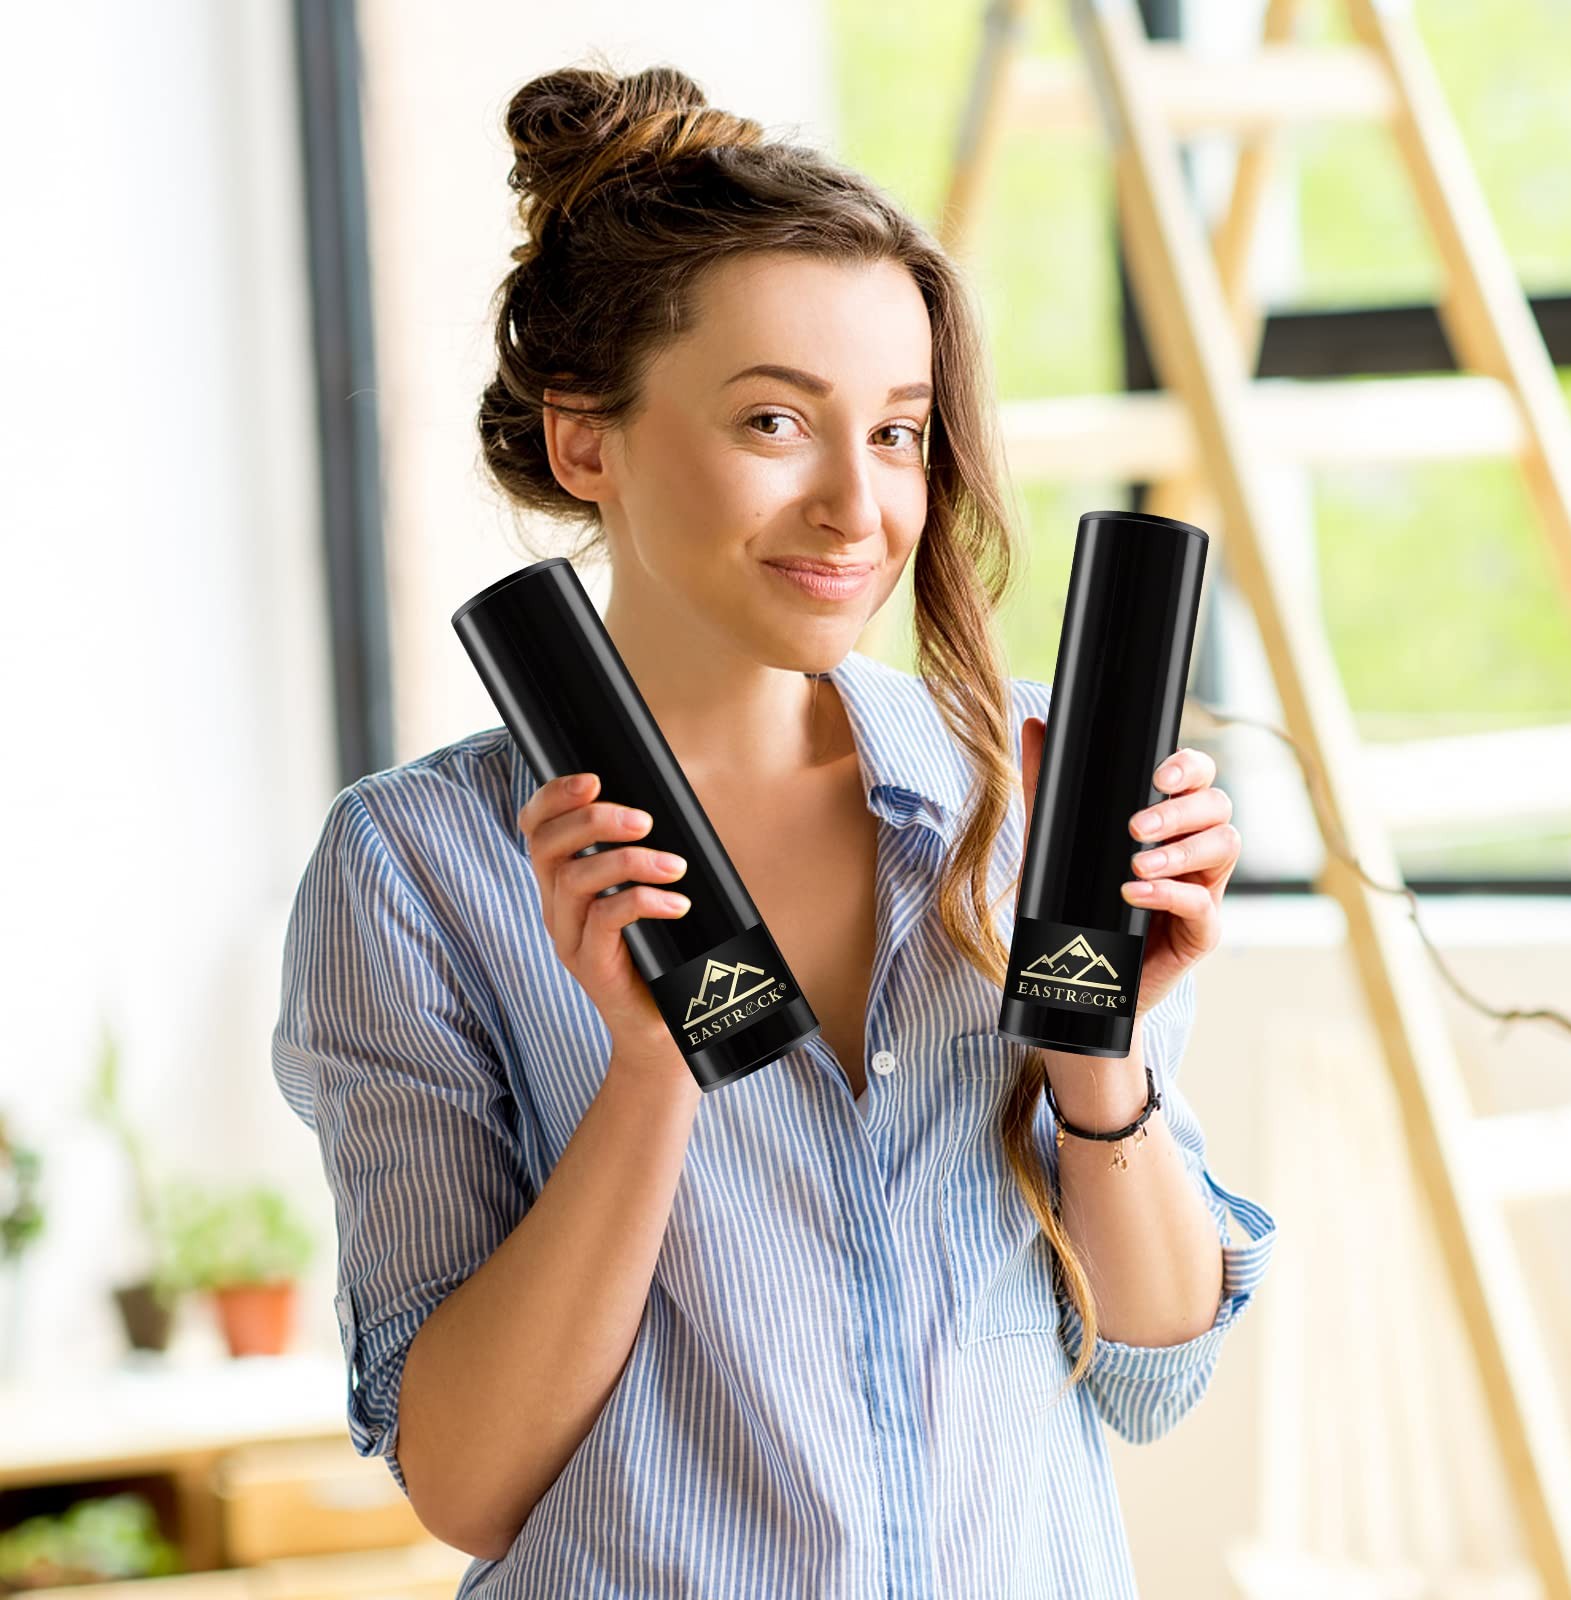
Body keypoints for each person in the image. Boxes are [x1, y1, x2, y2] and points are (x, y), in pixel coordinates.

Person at [271, 58, 1278, 1599]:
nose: (857, 510)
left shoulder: (1025, 792)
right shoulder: (418, 871)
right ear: (584, 441)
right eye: (772, 421)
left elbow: (1153, 1369)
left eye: (897, 434)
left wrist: (1103, 1058)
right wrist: (649, 1072)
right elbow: (467, 1483)